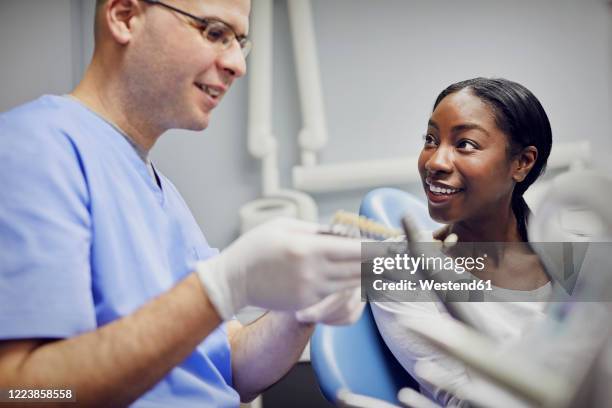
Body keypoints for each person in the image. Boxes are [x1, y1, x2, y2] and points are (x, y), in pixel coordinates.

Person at [0, 0, 364, 406]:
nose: (237, 65)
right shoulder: (34, 149)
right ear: (125, 16)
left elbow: (231, 368)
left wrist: (300, 311)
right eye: (214, 32)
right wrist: (220, 287)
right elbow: (18, 390)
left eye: (239, 42)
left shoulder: (163, 193)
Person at [371, 77, 554, 406]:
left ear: (522, 162)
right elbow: (464, 401)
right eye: (430, 139)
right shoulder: (395, 266)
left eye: (465, 144)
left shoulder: (572, 260)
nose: (435, 162)